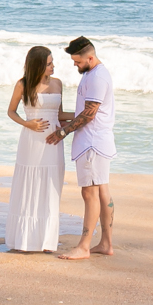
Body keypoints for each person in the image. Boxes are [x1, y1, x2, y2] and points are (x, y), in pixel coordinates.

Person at [46, 36, 116, 260]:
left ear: (90, 57)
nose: (75, 65)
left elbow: (89, 113)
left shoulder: (97, 77)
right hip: (97, 139)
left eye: (78, 62)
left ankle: (84, 246)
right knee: (103, 192)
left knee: (90, 193)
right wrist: (64, 119)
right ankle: (105, 244)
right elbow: (85, 113)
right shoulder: (93, 74)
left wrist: (63, 132)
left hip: (92, 143)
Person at [4, 46, 66, 252]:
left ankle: (47, 240)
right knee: (29, 184)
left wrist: (88, 114)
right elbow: (11, 112)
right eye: (49, 63)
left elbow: (61, 114)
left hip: (53, 143)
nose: (53, 66)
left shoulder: (57, 84)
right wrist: (27, 123)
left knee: (50, 185)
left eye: (52, 62)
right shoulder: (23, 84)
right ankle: (24, 239)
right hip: (31, 141)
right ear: (38, 65)